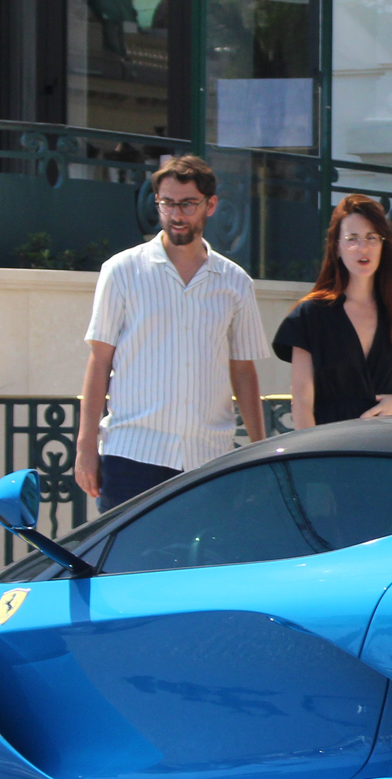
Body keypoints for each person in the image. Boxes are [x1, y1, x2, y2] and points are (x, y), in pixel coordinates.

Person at [75, 154, 268, 511]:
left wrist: (260, 449)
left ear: (210, 205)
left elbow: (243, 371)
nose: (176, 215)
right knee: (127, 567)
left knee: (201, 567)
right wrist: (86, 447)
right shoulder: (121, 271)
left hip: (207, 458)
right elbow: (99, 362)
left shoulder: (236, 282)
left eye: (188, 204)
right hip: (132, 455)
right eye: (167, 203)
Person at [274, 194, 392, 427]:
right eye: (352, 239)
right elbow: (302, 403)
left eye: (371, 237)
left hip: (387, 445)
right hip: (331, 446)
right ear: (337, 247)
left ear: (383, 245)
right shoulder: (310, 316)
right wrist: (313, 459)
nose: (362, 247)